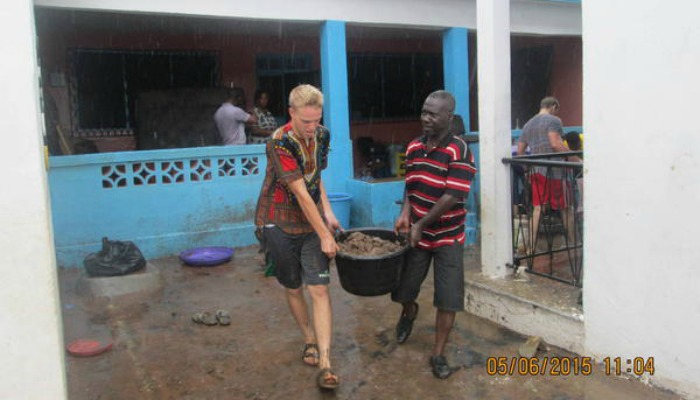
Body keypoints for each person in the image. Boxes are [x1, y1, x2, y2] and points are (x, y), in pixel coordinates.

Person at [254, 84, 342, 390]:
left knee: (319, 289)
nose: (311, 127)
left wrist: (328, 212)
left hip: (310, 225)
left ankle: (326, 363)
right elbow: (301, 194)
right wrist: (326, 236)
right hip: (278, 223)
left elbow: (316, 180)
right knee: (293, 287)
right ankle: (309, 339)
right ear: (291, 113)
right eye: (305, 121)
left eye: (316, 120)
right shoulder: (278, 142)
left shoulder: (322, 135)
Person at [392, 90, 476, 379]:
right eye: (424, 112)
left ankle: (438, 354)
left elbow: (452, 195)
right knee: (403, 290)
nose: (425, 118)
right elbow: (410, 184)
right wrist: (405, 213)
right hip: (417, 235)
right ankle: (409, 311)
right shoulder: (414, 146)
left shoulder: (460, 150)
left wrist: (420, 223)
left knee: (447, 298)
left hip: (447, 236)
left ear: (448, 118)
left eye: (433, 114)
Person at [516, 97, 580, 251]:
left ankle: (531, 247)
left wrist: (526, 170)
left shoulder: (528, 124)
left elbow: (520, 152)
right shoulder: (554, 120)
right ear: (553, 106)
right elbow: (555, 144)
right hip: (555, 171)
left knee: (538, 209)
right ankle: (573, 245)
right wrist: (576, 159)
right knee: (566, 208)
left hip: (536, 172)